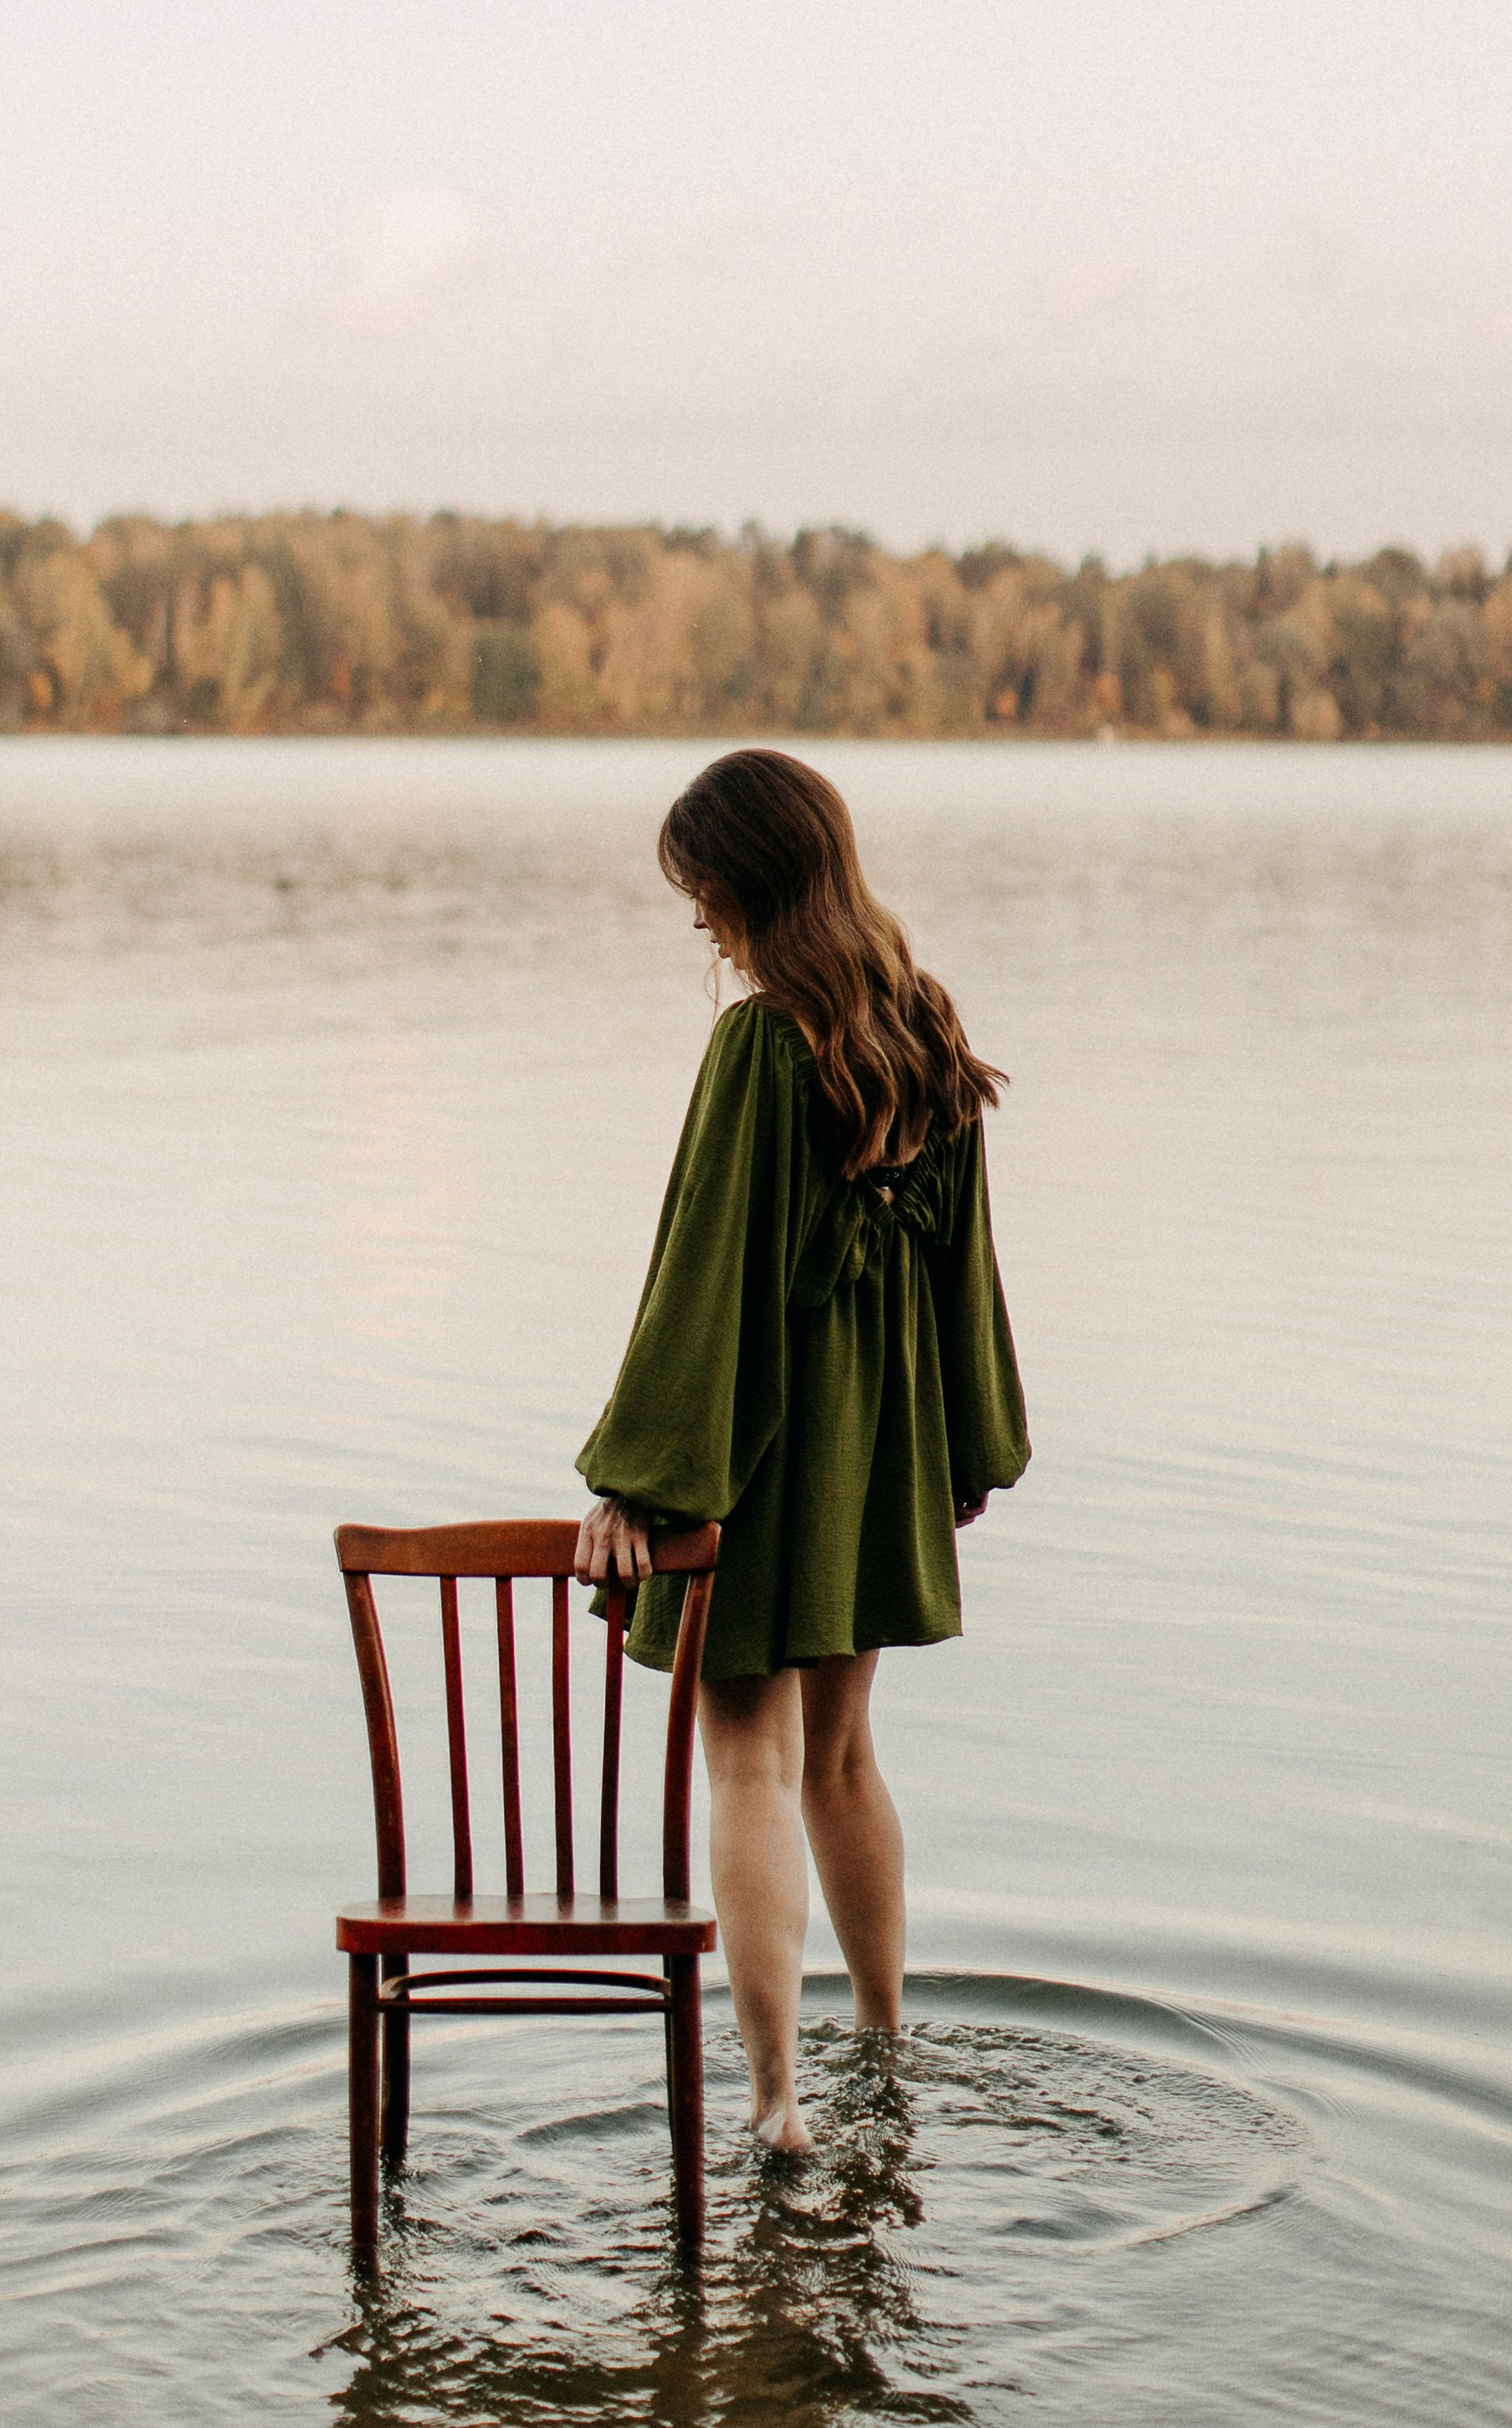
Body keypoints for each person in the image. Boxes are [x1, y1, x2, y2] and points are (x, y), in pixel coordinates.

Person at [573, 747, 1028, 2154]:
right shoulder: (925, 1031)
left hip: (763, 1448)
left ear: (754, 882)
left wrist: (636, 1483)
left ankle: (775, 2103)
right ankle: (882, 2053)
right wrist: (966, 1446)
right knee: (840, 1757)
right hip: (877, 1454)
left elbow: (704, 1276)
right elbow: (966, 1273)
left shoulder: (760, 1047)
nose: (698, 918)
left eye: (702, 888)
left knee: (751, 1766)